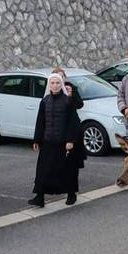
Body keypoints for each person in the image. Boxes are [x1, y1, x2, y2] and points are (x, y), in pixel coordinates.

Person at [29, 70, 84, 208]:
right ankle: (39, 197)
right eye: (52, 83)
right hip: (48, 141)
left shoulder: (68, 101)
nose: (55, 85)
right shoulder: (44, 101)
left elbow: (72, 123)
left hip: (63, 142)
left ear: (62, 84)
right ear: (49, 85)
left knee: (66, 169)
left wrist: (70, 140)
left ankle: (71, 194)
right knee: (43, 170)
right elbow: (40, 121)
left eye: (57, 83)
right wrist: (36, 140)